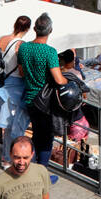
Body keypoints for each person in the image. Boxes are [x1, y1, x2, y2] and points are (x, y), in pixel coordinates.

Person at [17, 13, 67, 172]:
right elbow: (59, 80)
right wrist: (69, 81)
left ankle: (31, 168)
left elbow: (21, 72)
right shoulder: (50, 52)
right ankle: (42, 175)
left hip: (29, 98)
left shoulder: (24, 47)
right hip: (45, 102)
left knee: (37, 135)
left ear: (34, 29)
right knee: (45, 139)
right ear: (50, 30)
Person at [0, 16, 32, 167]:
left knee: (8, 125)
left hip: (0, 84)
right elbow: (21, 71)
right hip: (15, 86)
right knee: (13, 125)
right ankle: (9, 158)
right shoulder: (21, 45)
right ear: (28, 29)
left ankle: (7, 156)